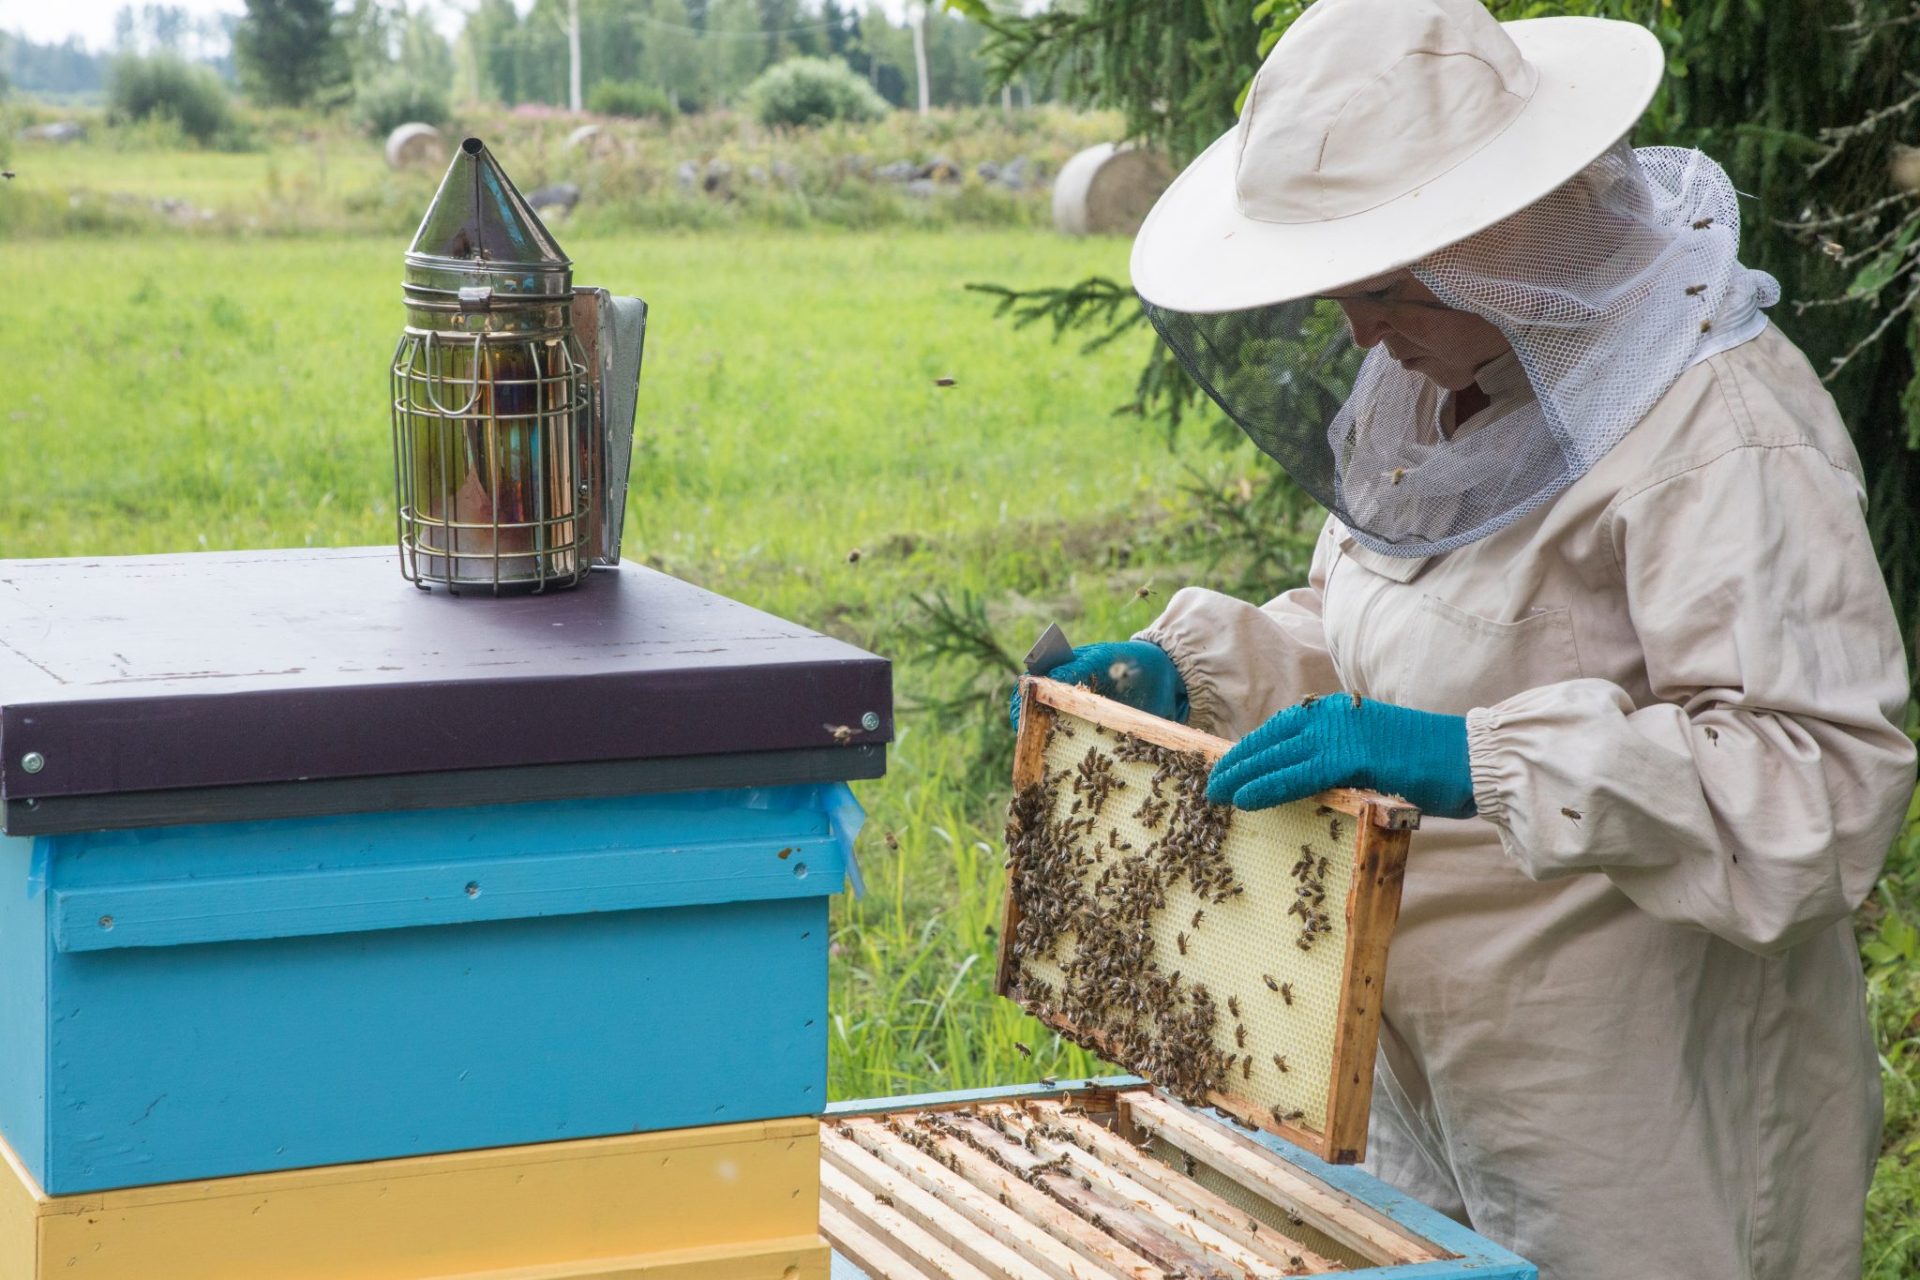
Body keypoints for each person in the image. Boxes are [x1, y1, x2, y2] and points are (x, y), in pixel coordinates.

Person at [1013, 0, 1919, 1275]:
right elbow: (1389, 628)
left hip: (1640, 1092)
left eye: (1384, 287)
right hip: (1404, 1048)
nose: (1358, 331)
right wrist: (1204, 676)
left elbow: (1815, 784)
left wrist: (1478, 759)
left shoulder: (1722, 426)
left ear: (1510, 243)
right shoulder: (1439, 376)